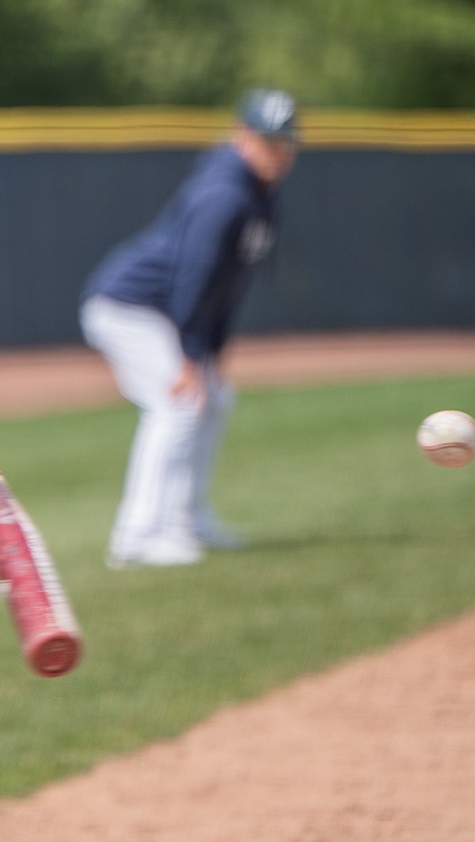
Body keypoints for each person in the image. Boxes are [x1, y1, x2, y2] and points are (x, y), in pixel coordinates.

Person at [80, 88, 299, 568]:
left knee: (216, 396)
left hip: (165, 312)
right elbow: (194, 275)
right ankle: (135, 536)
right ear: (244, 137)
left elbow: (230, 280)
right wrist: (188, 353)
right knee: (176, 402)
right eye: (268, 142)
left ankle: (188, 519)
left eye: (285, 143)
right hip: (127, 306)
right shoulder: (225, 194)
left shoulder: (263, 193)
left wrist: (211, 350)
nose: (278, 153)